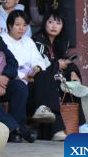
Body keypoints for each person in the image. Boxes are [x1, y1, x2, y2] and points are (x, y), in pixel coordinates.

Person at [30, 11, 80, 140]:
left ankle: (79, 126)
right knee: (50, 82)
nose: (54, 26)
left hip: (54, 77)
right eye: (50, 22)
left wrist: (73, 72)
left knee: (74, 85)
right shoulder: (38, 40)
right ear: (44, 23)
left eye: (58, 23)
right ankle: (56, 130)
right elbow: (40, 64)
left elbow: (66, 62)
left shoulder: (60, 42)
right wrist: (57, 64)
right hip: (38, 80)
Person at [0, 34, 38, 143]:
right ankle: (17, 129)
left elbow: (12, 61)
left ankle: (15, 129)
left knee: (19, 87)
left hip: (1, 82)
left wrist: (5, 77)